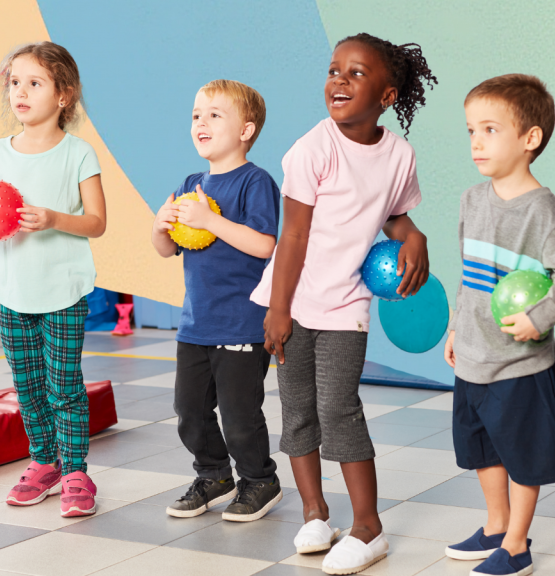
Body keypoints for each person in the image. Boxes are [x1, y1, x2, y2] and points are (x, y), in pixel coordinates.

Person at [251, 32, 436, 575]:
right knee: (298, 407)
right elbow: (294, 239)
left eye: (356, 74)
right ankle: (314, 512)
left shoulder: (398, 154)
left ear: (386, 96)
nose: (339, 80)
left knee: (338, 407)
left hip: (346, 303)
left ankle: (368, 526)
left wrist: (415, 235)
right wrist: (280, 308)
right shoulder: (312, 149)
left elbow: (393, 214)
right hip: (292, 297)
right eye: (335, 70)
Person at [0, 41, 106, 517]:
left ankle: (76, 470)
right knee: (28, 385)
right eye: (15, 82)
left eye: (34, 82)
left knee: (64, 385)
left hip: (63, 289)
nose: (20, 91)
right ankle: (44, 462)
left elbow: (97, 222)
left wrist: (56, 218)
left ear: (64, 95)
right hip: (13, 289)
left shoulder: (78, 153)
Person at [443, 74, 555, 576]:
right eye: (470, 131)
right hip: (475, 355)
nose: (476, 142)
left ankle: (518, 541)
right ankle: (495, 524)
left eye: (490, 129)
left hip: (520, 362)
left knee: (522, 450)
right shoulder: (470, 200)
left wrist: (539, 317)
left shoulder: (544, 213)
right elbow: (466, 275)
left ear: (530, 139)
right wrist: (456, 328)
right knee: (481, 444)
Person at [151, 80, 283, 521]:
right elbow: (168, 249)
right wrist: (159, 226)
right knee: (189, 410)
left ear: (245, 130)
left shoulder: (255, 181)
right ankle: (214, 475)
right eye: (196, 115)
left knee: (239, 414)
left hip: (242, 323)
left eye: (214, 115)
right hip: (196, 323)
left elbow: (265, 245)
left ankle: (259, 480)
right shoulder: (191, 184)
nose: (201, 123)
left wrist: (210, 219)